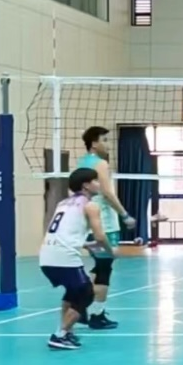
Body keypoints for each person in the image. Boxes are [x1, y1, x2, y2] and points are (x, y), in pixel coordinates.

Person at [40, 168, 113, 350]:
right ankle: (60, 335)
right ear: (86, 185)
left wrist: (84, 244)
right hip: (64, 257)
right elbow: (100, 236)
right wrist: (111, 251)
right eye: (96, 181)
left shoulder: (63, 203)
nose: (99, 184)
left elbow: (64, 230)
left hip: (47, 255)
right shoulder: (91, 206)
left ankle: (67, 332)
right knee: (85, 293)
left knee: (73, 292)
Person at [75, 127, 135, 330]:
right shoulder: (100, 163)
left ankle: (82, 309)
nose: (108, 144)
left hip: (86, 222)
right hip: (104, 223)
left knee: (99, 265)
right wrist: (125, 215)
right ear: (94, 143)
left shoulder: (81, 163)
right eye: (105, 140)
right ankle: (96, 315)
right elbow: (108, 194)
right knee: (104, 268)